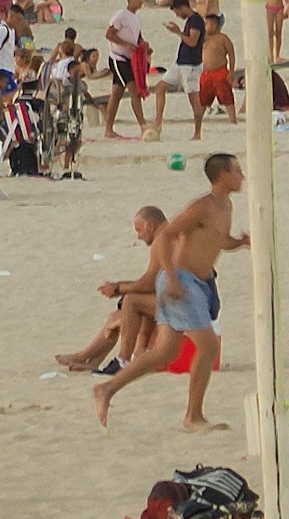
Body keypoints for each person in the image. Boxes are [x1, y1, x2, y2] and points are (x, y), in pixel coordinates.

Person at [96, 150, 248, 433]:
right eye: (238, 171)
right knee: (208, 345)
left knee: (165, 351)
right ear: (222, 176)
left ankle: (107, 388)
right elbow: (166, 235)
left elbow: (219, 241)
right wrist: (171, 276)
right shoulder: (201, 207)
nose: (243, 176)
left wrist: (240, 242)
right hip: (182, 281)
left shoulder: (226, 206)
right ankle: (193, 416)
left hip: (200, 284)